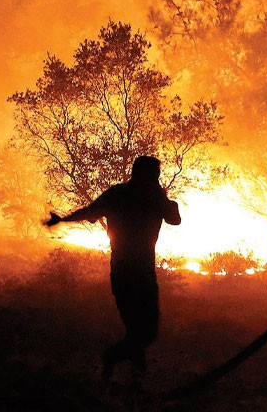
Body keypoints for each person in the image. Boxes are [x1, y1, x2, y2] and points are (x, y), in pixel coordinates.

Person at [45, 155, 181, 381]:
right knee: (145, 332)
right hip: (137, 274)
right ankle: (113, 361)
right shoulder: (152, 197)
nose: (157, 179)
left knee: (137, 331)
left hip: (125, 272)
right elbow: (174, 218)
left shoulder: (120, 194)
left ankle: (132, 381)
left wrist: (63, 220)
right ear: (149, 176)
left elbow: (90, 211)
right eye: (155, 176)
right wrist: (164, 198)